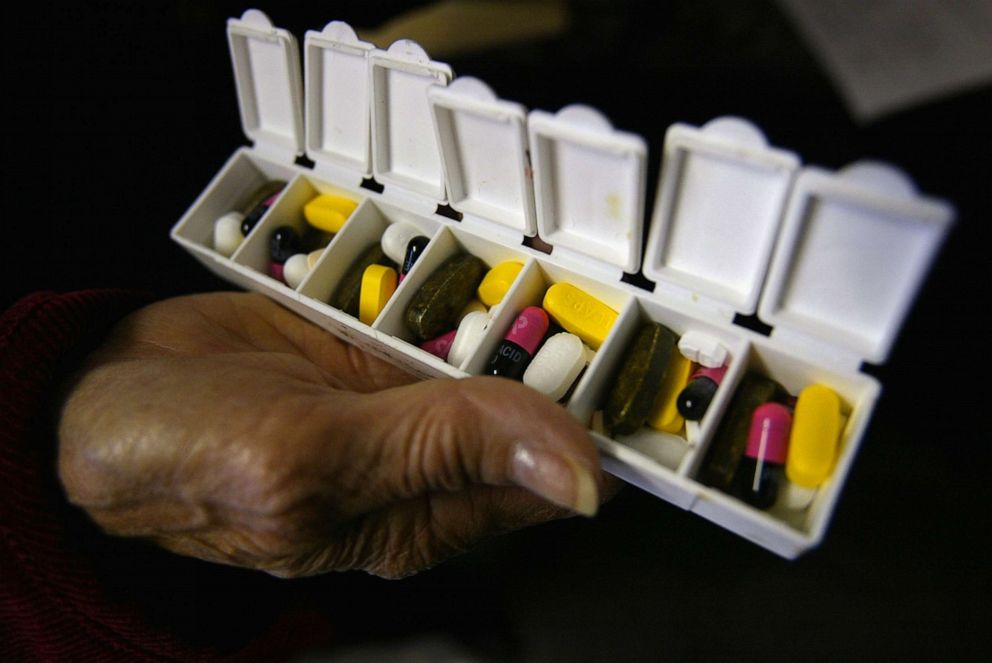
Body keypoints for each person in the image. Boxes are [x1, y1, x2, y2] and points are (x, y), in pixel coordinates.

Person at [1, 288, 617, 659]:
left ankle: (445, 608)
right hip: (163, 579)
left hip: (173, 348)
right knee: (363, 576)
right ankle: (442, 613)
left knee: (373, 549)